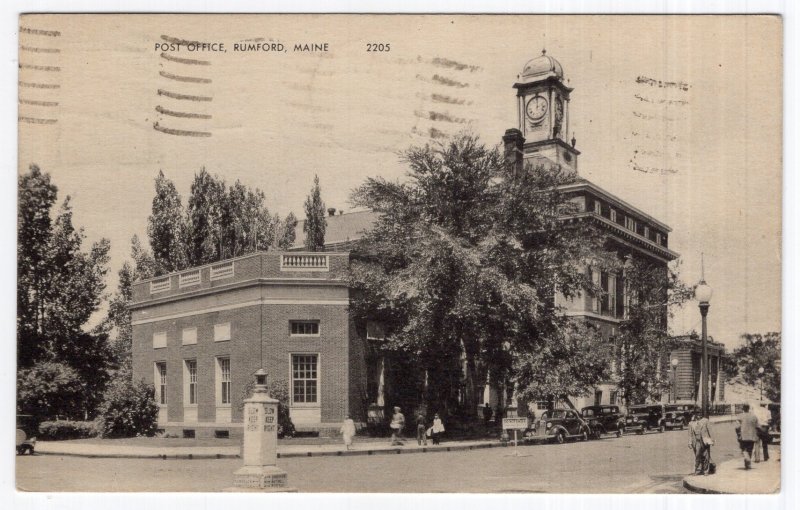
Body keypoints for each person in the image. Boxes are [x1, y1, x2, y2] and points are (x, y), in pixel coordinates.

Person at [736, 403, 759, 470]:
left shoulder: (740, 416)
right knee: (750, 449)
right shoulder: (754, 416)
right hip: (752, 436)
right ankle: (747, 465)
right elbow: (757, 426)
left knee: (743, 449)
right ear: (748, 408)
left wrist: (738, 434)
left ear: (743, 409)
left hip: (743, 436)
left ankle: (747, 459)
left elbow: (737, 427)